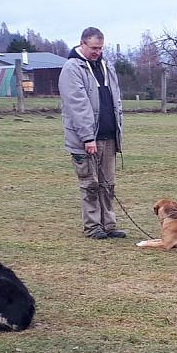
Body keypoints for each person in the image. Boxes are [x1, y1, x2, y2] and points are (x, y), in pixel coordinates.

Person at [59, 27, 126, 239]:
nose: (97, 52)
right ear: (82, 44)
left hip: (109, 138)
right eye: (94, 48)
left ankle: (109, 225)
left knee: (108, 184)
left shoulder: (106, 66)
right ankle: (93, 226)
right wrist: (88, 137)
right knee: (90, 183)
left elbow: (115, 100)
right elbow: (77, 106)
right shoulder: (72, 68)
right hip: (86, 140)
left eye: (100, 48)